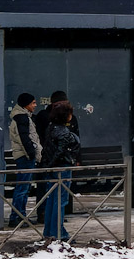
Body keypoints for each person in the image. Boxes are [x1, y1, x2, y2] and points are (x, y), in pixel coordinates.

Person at [40, 102, 81, 240]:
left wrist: (49, 164)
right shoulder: (63, 132)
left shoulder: (51, 128)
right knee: (60, 200)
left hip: (52, 168)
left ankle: (50, 231)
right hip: (61, 168)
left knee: (52, 199)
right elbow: (62, 150)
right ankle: (58, 232)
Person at [8, 92, 40, 225]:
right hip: (24, 156)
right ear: (26, 104)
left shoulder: (21, 117)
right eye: (33, 103)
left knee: (23, 187)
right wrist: (32, 153)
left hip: (22, 155)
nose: (35, 105)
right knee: (23, 187)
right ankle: (17, 216)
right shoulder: (22, 118)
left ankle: (20, 215)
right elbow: (25, 138)